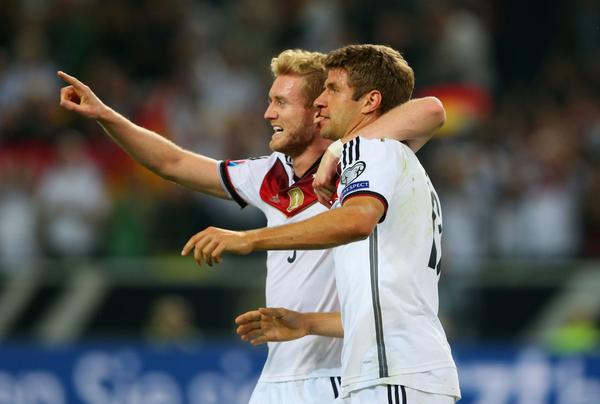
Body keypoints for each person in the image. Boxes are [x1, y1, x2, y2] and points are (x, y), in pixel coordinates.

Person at [58, 48, 445, 403]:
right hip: (284, 371)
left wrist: (338, 150)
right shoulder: (269, 176)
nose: (268, 113)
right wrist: (105, 115)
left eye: (281, 102)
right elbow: (173, 164)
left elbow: (430, 110)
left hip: (344, 373)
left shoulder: (364, 162)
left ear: (316, 111)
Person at [182, 45, 460, 403]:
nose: (320, 102)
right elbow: (381, 305)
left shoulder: (370, 151)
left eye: (333, 90)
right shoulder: (388, 157)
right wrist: (308, 322)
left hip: (394, 371)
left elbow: (357, 220)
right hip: (390, 371)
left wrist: (250, 239)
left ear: (370, 101)